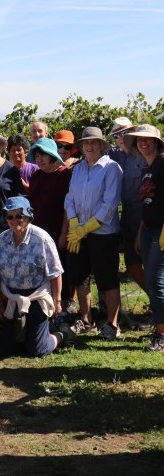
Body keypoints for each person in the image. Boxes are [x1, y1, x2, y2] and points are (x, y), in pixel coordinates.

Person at [0, 196, 73, 357]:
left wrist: (57, 302)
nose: (15, 220)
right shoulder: (1, 239)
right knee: (11, 349)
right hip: (12, 298)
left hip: (37, 297)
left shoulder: (42, 238)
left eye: (19, 216)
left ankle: (62, 334)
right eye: (10, 216)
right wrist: (0, 304)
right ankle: (38, 330)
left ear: (28, 216)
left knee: (37, 350)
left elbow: (55, 273)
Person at [64, 127, 123, 339]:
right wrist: (74, 225)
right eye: (86, 143)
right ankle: (87, 320)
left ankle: (112, 325)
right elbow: (70, 198)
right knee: (80, 278)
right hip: (79, 232)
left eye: (94, 143)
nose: (89, 146)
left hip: (103, 233)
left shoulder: (111, 168)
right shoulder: (78, 169)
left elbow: (110, 203)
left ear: (101, 145)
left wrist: (86, 228)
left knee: (107, 279)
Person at [125, 125, 164, 351]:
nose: (143, 142)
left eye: (147, 139)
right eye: (139, 140)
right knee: (152, 281)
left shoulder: (162, 163)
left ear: (157, 142)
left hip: (161, 231)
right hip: (148, 229)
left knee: (156, 282)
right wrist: (140, 233)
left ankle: (161, 335)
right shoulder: (146, 169)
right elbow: (147, 204)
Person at [27, 137, 74, 314]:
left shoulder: (64, 175)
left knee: (61, 267)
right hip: (39, 231)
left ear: (52, 156)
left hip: (57, 229)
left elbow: (68, 207)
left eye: (44, 155)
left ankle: (63, 304)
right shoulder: (36, 176)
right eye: (37, 156)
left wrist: (64, 233)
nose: (40, 159)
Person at [108, 117, 149, 296]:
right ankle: (155, 302)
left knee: (152, 263)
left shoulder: (142, 155)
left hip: (145, 216)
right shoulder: (116, 154)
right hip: (127, 216)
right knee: (132, 264)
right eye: (117, 134)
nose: (120, 137)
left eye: (125, 132)